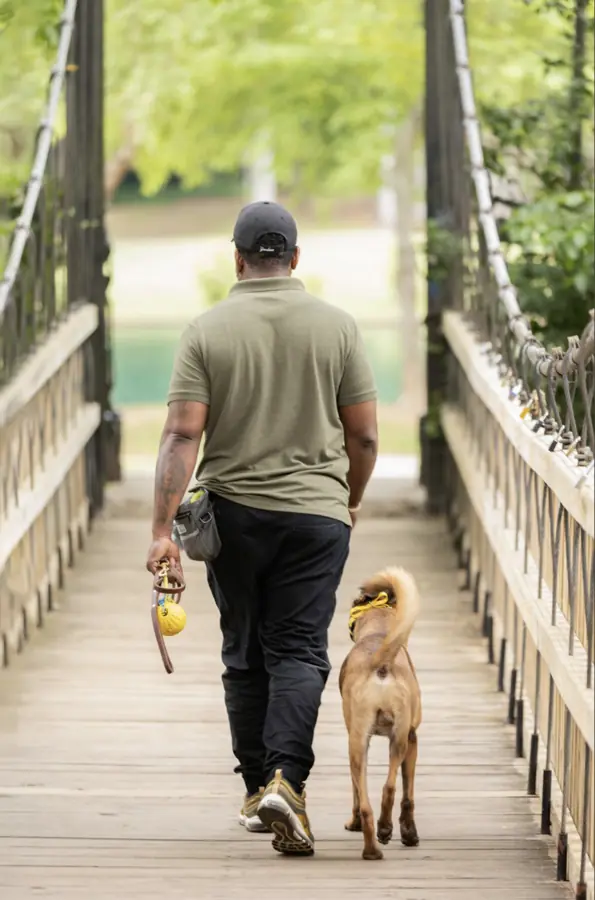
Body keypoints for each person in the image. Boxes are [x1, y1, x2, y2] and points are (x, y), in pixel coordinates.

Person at [146, 200, 378, 856]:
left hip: (236, 517)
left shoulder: (206, 329)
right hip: (316, 517)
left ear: (238, 258)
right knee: (300, 649)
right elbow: (361, 434)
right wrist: (347, 501)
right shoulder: (338, 327)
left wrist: (162, 528)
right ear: (296, 258)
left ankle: (257, 789)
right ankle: (288, 781)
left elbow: (182, 431)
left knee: (244, 650)